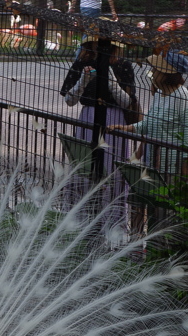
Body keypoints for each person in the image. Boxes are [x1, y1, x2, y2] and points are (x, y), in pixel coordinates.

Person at [59, 40, 137, 237]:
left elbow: (128, 102)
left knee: (112, 172)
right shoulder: (82, 64)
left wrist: (111, 83)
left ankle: (112, 226)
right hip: (89, 117)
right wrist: (83, 82)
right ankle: (82, 222)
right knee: (84, 169)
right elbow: (69, 100)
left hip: (114, 121)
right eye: (96, 46)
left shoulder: (122, 65)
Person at [109, 51, 188, 177]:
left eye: (156, 69)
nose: (152, 72)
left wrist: (186, 165)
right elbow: (149, 124)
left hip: (171, 167)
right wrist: (125, 128)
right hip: (152, 164)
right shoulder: (159, 95)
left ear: (168, 73)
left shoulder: (182, 96)